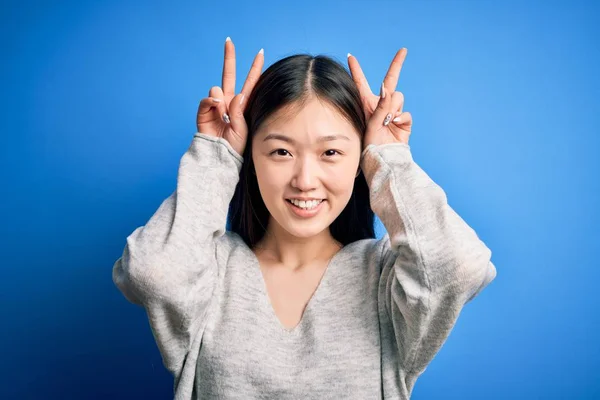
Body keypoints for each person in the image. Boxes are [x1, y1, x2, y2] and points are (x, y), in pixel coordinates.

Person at [112, 37, 497, 400]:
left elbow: (459, 267)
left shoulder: (384, 279)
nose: (305, 181)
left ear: (360, 161)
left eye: (330, 153)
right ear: (250, 158)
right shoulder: (211, 271)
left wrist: (390, 160)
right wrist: (216, 156)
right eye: (281, 152)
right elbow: (153, 274)